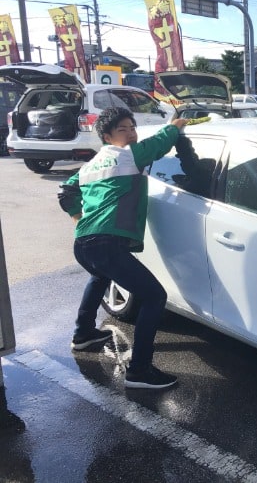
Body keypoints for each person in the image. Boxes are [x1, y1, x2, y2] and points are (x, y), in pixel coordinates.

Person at [58, 107, 189, 389]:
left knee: (99, 277)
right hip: (106, 244)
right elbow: (158, 145)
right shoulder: (127, 155)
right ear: (107, 136)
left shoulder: (92, 164)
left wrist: (79, 219)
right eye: (122, 130)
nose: (131, 134)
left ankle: (83, 335)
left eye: (132, 128)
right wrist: (175, 126)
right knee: (155, 297)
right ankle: (139, 370)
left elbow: (66, 191)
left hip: (84, 243)